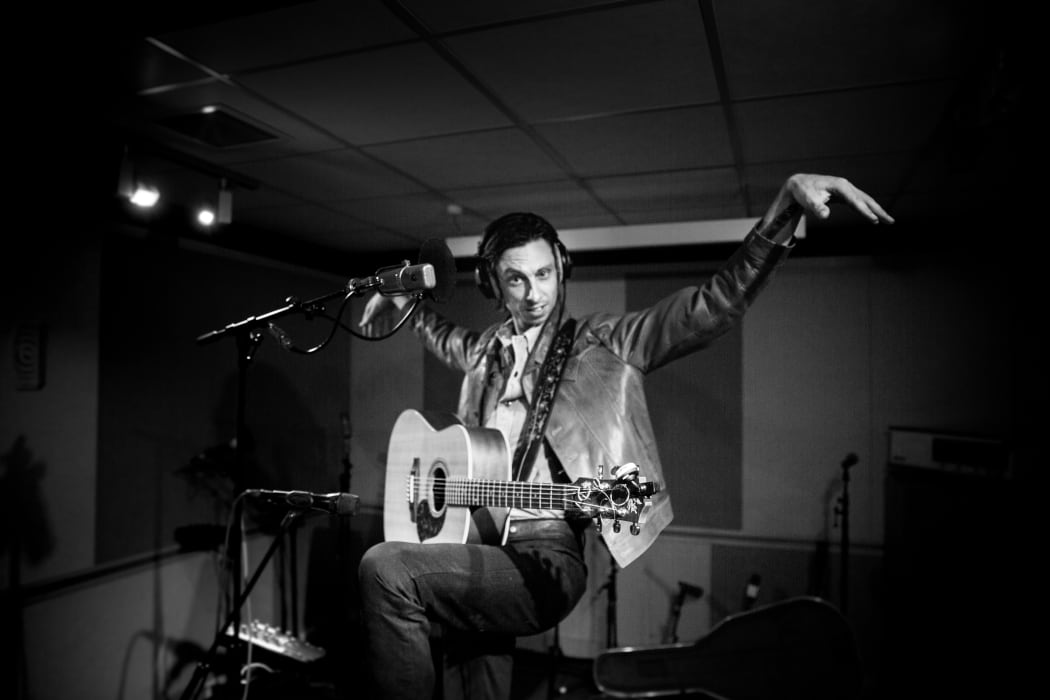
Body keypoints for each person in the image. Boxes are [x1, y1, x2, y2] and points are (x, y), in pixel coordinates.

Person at [355, 173, 893, 699]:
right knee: (468, 673)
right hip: (477, 544)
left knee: (387, 568)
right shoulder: (486, 353)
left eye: (544, 274)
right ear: (493, 282)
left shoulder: (605, 344)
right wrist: (408, 303)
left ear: (561, 268)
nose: (535, 293)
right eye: (516, 279)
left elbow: (713, 304)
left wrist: (781, 214)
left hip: (544, 557)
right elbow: (443, 336)